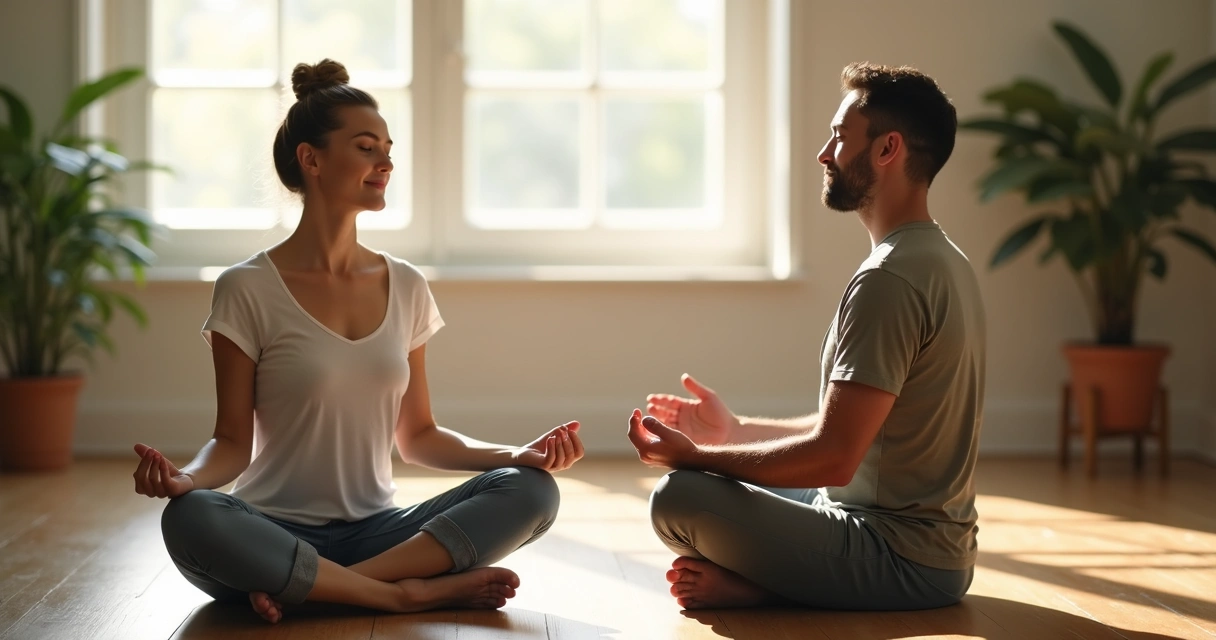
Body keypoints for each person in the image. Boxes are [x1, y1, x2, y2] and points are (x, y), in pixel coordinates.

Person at [131, 59, 585, 624]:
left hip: (380, 537)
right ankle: (402, 595)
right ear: (311, 158)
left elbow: (418, 436)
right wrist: (185, 479)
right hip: (269, 536)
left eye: (388, 148)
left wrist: (517, 454)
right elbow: (230, 442)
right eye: (367, 147)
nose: (387, 162)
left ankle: (331, 589)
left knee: (532, 490)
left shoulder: (407, 286)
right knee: (189, 516)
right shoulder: (246, 288)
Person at [627, 62, 985, 611]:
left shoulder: (888, 279)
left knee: (681, 497)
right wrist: (736, 431)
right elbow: (858, 432)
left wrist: (696, 458)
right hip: (935, 551)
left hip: (901, 559)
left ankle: (768, 587)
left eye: (840, 138)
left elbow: (835, 457)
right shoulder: (944, 260)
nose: (825, 153)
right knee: (731, 481)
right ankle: (777, 578)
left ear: (888, 150)